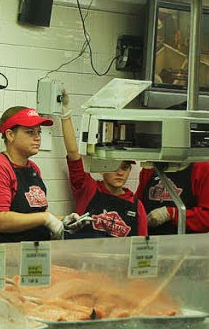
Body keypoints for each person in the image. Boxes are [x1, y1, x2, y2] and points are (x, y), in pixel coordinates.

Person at [0, 106, 75, 244]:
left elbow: (32, 215)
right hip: (1, 255)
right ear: (10, 135)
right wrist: (46, 218)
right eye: (29, 132)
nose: (37, 137)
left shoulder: (33, 168)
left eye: (39, 132)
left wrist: (62, 220)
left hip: (32, 253)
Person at [57, 91, 147, 238]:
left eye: (125, 167)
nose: (120, 173)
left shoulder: (137, 206)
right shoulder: (88, 189)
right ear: (101, 169)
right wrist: (65, 114)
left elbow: (142, 244)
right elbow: (74, 154)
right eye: (114, 166)